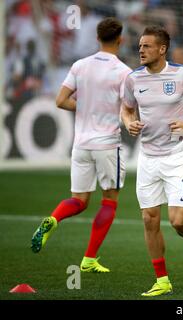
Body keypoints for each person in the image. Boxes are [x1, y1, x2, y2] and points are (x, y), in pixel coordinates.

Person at [31, 17, 131, 273]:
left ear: (97, 38)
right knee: (109, 202)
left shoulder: (80, 65)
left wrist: (85, 106)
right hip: (107, 144)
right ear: (120, 40)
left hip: (81, 144)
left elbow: (61, 100)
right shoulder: (123, 72)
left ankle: (53, 219)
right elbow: (127, 111)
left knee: (79, 200)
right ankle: (89, 259)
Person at [121, 25, 183, 297]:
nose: (141, 50)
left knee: (177, 222)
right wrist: (129, 123)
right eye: (139, 46)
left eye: (147, 46)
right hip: (148, 157)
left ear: (162, 49)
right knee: (150, 219)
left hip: (177, 156)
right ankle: (162, 280)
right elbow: (126, 109)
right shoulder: (133, 79)